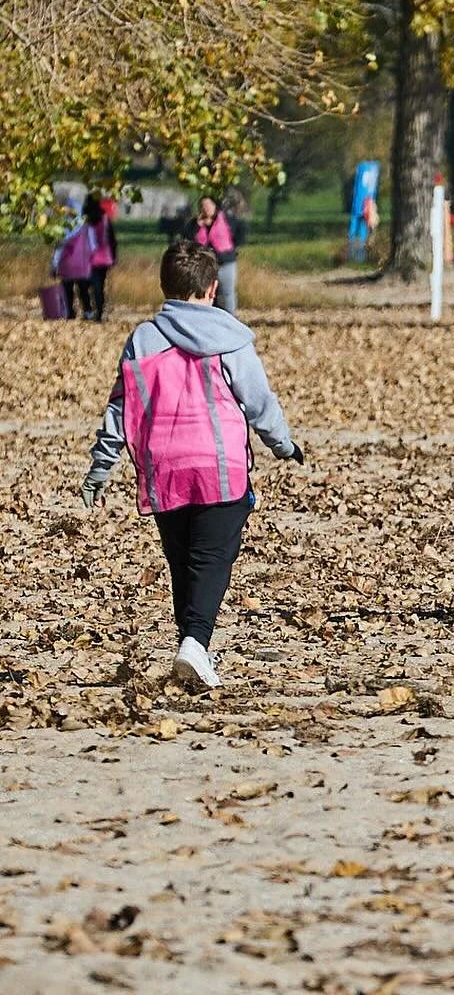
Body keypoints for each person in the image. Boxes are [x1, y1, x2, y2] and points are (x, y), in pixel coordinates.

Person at [80, 239, 303, 692]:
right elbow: (259, 401)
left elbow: (119, 410)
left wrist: (100, 469)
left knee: (183, 561)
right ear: (212, 288)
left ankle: (192, 648)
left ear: (166, 286)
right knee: (211, 559)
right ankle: (196, 644)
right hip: (219, 467)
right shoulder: (231, 338)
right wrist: (283, 444)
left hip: (163, 467)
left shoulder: (143, 339)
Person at [187, 195, 238, 312]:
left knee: (227, 293)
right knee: (205, 292)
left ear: (215, 206)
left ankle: (229, 319)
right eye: (203, 206)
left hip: (225, 262)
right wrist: (197, 226)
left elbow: (238, 233)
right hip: (204, 264)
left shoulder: (226, 220)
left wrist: (232, 250)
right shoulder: (193, 224)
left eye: (208, 205)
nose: (206, 208)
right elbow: (187, 240)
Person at [52, 208, 96, 320]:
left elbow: (58, 250)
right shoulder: (87, 227)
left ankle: (69, 313)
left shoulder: (62, 229)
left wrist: (54, 265)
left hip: (66, 265)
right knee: (83, 290)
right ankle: (88, 312)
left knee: (67, 291)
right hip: (82, 264)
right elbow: (93, 246)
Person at [84, 193, 118, 322]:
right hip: (104, 258)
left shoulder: (86, 220)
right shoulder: (105, 219)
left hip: (90, 258)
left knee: (88, 286)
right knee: (99, 286)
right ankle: (99, 311)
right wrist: (114, 256)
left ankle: (90, 309)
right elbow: (112, 240)